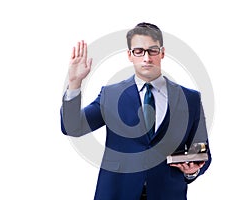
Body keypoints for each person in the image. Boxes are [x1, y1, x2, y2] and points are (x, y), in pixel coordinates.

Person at [60, 22, 212, 200]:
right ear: (130, 55)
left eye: (152, 50)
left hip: (168, 194)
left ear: (162, 52)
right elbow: (72, 128)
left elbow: (202, 151)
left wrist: (191, 172)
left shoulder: (190, 99)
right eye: (139, 51)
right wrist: (74, 83)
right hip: (117, 194)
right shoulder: (111, 95)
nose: (146, 58)